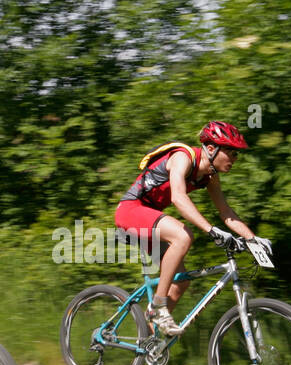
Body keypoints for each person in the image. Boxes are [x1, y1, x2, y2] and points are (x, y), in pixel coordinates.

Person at [115, 122, 269, 337]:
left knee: (180, 283)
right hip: (131, 210)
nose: (235, 159)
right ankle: (158, 307)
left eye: (237, 154)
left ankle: (148, 343)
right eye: (231, 152)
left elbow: (226, 212)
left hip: (151, 219)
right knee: (183, 235)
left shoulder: (210, 176)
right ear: (212, 149)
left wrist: (253, 239)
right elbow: (178, 197)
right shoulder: (183, 157)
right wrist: (210, 230)